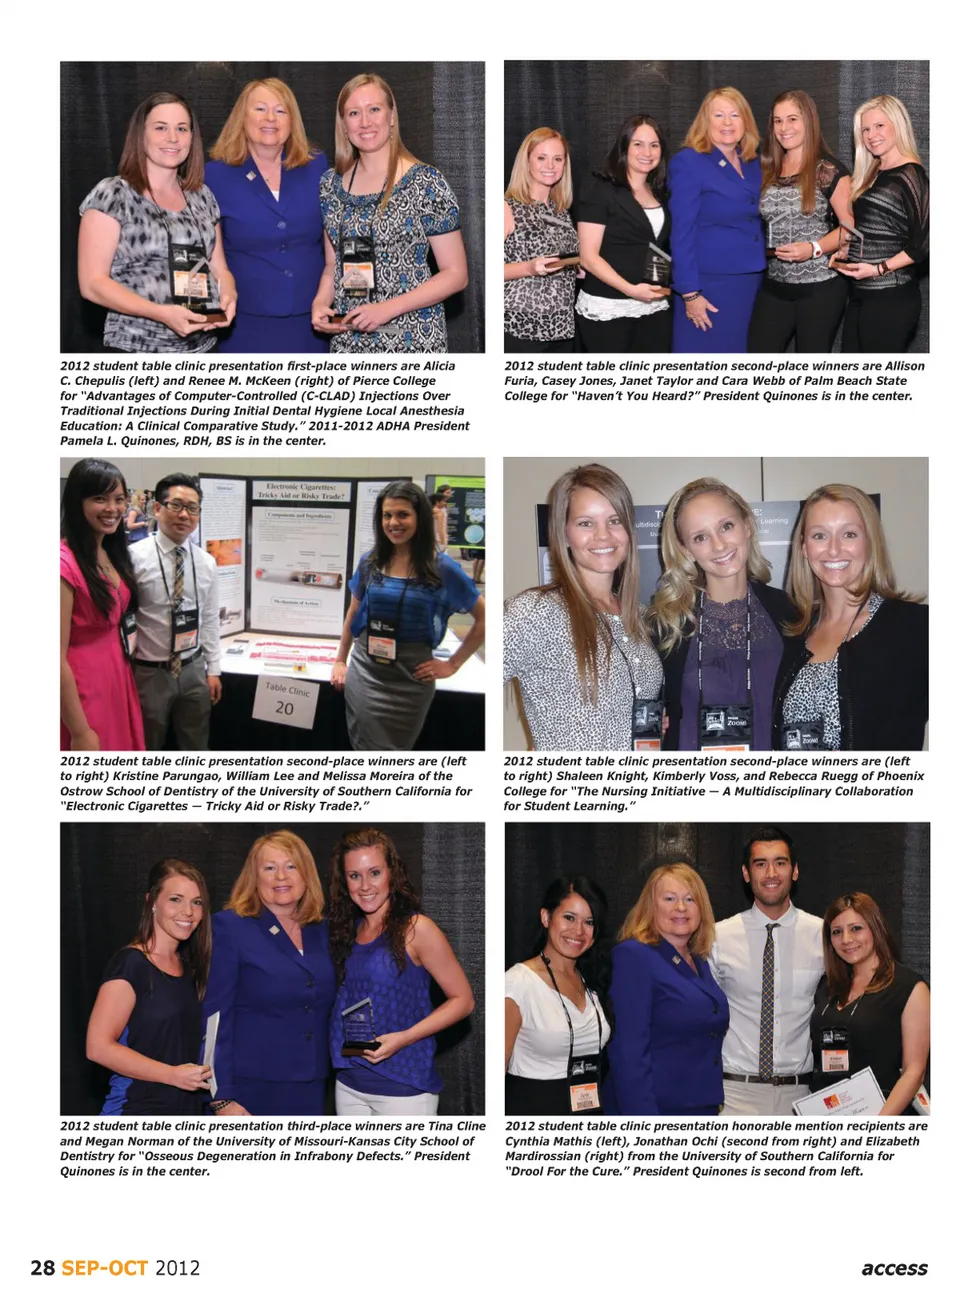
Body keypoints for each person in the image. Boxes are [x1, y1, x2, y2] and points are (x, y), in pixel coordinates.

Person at [504, 463, 663, 751]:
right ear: (564, 533)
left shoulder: (641, 617)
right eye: (586, 523)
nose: (603, 535)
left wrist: (650, 725)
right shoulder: (535, 611)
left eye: (615, 520)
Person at [312, 73, 467, 352]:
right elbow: (332, 266)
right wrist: (321, 303)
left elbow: (456, 274)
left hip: (412, 338)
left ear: (392, 116)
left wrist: (386, 309)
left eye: (374, 109)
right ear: (343, 124)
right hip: (349, 339)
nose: (365, 122)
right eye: (354, 113)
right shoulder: (328, 185)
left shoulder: (425, 182)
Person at [327, 829, 474, 1115]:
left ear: (392, 873)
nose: (365, 885)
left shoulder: (416, 929)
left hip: (404, 1088)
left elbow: (464, 1001)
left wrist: (404, 1038)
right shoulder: (347, 931)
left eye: (374, 873)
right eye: (354, 875)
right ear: (344, 881)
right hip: (348, 1084)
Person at [773, 484, 928, 750]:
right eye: (819, 535)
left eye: (849, 534)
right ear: (804, 548)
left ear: (870, 542)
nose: (834, 550)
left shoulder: (914, 627)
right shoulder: (791, 635)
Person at [78, 92, 236, 353]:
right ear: (141, 135)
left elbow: (220, 268)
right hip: (135, 347)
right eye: (161, 128)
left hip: (203, 347)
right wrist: (161, 313)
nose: (172, 138)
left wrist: (229, 295)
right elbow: (92, 284)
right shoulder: (114, 194)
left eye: (181, 129)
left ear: (192, 138)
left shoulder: (202, 196)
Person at [331, 481, 485, 749]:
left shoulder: (441, 567)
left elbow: (485, 618)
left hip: (412, 679)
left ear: (420, 518)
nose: (393, 523)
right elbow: (353, 612)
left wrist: (453, 664)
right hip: (367, 670)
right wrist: (340, 660)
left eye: (403, 514)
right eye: (387, 515)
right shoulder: (370, 562)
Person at [651, 478, 794, 751]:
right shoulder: (666, 626)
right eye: (700, 537)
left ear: (747, 526)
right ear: (686, 550)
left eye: (726, 526)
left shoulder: (790, 612)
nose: (718, 545)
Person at [203, 831, 337, 1116]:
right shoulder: (230, 927)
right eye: (269, 868)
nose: (281, 877)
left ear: (306, 874)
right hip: (248, 1088)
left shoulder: (323, 930)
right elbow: (215, 1017)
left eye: (291, 866)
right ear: (254, 876)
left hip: (312, 1085)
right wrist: (220, 1097)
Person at [205, 79, 329, 353]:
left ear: (292, 120)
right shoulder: (214, 176)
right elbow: (209, 254)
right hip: (243, 322)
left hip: (311, 320)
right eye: (260, 109)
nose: (270, 118)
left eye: (280, 110)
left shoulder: (317, 166)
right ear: (242, 117)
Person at [710, 828, 823, 1115]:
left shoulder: (823, 935)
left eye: (780, 863)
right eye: (760, 864)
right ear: (746, 874)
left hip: (799, 1096)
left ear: (795, 871)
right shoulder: (717, 937)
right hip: (733, 1094)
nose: (771, 873)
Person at [86, 858, 212, 1114]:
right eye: (175, 899)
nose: (188, 911)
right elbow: (97, 1048)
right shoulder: (131, 964)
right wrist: (172, 1075)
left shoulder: (191, 969)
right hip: (136, 1110)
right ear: (152, 901)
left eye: (196, 902)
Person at [606, 863, 729, 1115]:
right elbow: (629, 1053)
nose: (681, 907)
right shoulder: (634, 956)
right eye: (670, 898)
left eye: (689, 899)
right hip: (655, 1109)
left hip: (701, 1106)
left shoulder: (699, 961)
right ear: (651, 906)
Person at [748, 90, 853, 352]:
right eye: (778, 120)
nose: (784, 128)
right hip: (774, 284)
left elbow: (850, 228)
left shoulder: (828, 170)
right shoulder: (766, 169)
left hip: (821, 287)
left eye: (792, 119)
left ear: (808, 120)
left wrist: (813, 248)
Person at [810, 893, 929, 1115]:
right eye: (837, 932)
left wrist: (876, 1126)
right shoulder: (828, 986)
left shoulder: (910, 988)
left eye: (856, 928)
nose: (846, 939)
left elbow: (914, 1072)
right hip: (829, 1112)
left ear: (875, 928)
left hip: (884, 1115)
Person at [129, 473, 222, 750]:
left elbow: (209, 618)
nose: (184, 515)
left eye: (192, 508)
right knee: (147, 746)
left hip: (193, 669)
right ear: (158, 508)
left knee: (196, 746)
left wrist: (213, 669)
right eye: (177, 505)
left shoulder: (206, 562)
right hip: (149, 672)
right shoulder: (133, 557)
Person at [669, 88, 765, 353]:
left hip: (750, 279)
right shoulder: (689, 161)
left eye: (735, 115)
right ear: (705, 120)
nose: (727, 122)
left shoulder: (753, 163)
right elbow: (681, 233)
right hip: (708, 284)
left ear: (745, 121)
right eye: (719, 115)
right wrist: (690, 292)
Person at [505, 878, 611, 1115]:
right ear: (546, 917)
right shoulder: (518, 983)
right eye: (569, 917)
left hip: (589, 1109)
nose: (578, 931)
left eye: (589, 922)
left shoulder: (592, 979)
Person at [60, 458, 145, 751]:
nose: (112, 508)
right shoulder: (63, 565)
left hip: (117, 677)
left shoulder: (110, 552)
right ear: (77, 502)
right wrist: (79, 731)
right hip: (81, 690)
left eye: (119, 499)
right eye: (100, 498)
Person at [834, 96, 929, 352]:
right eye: (865, 129)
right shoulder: (872, 172)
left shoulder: (910, 174)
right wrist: (847, 250)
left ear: (898, 125)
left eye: (879, 126)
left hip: (891, 297)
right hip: (861, 294)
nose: (871, 135)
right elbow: (877, 227)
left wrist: (878, 269)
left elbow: (923, 244)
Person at [575, 115, 672, 352]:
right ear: (624, 147)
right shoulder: (600, 188)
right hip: (609, 307)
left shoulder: (660, 191)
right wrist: (631, 290)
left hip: (653, 305)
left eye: (654, 145)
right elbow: (588, 257)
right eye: (638, 144)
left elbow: (657, 244)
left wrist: (653, 288)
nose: (647, 152)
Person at [504, 127, 578, 351]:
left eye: (558, 159)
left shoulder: (561, 212)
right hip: (520, 328)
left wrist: (576, 267)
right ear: (526, 162)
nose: (550, 166)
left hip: (562, 328)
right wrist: (529, 268)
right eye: (541, 158)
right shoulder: (508, 207)